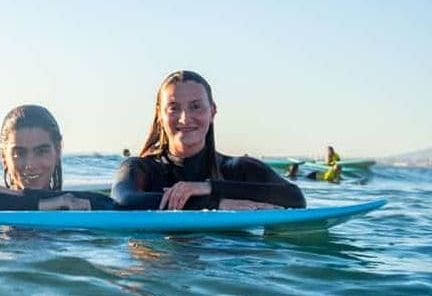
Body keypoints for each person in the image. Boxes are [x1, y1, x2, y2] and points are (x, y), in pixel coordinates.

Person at [111, 70, 306, 210]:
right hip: (160, 261)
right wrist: (216, 204)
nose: (185, 118)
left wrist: (208, 187)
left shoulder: (238, 169)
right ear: (159, 114)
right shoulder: (140, 168)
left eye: (196, 107)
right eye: (173, 108)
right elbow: (125, 199)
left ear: (212, 111)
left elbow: (295, 198)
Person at [0, 105, 114, 210]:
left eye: (41, 151)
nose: (30, 165)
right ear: (3, 157)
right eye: (19, 153)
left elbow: (110, 205)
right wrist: (43, 204)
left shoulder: (81, 204)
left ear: (58, 150)